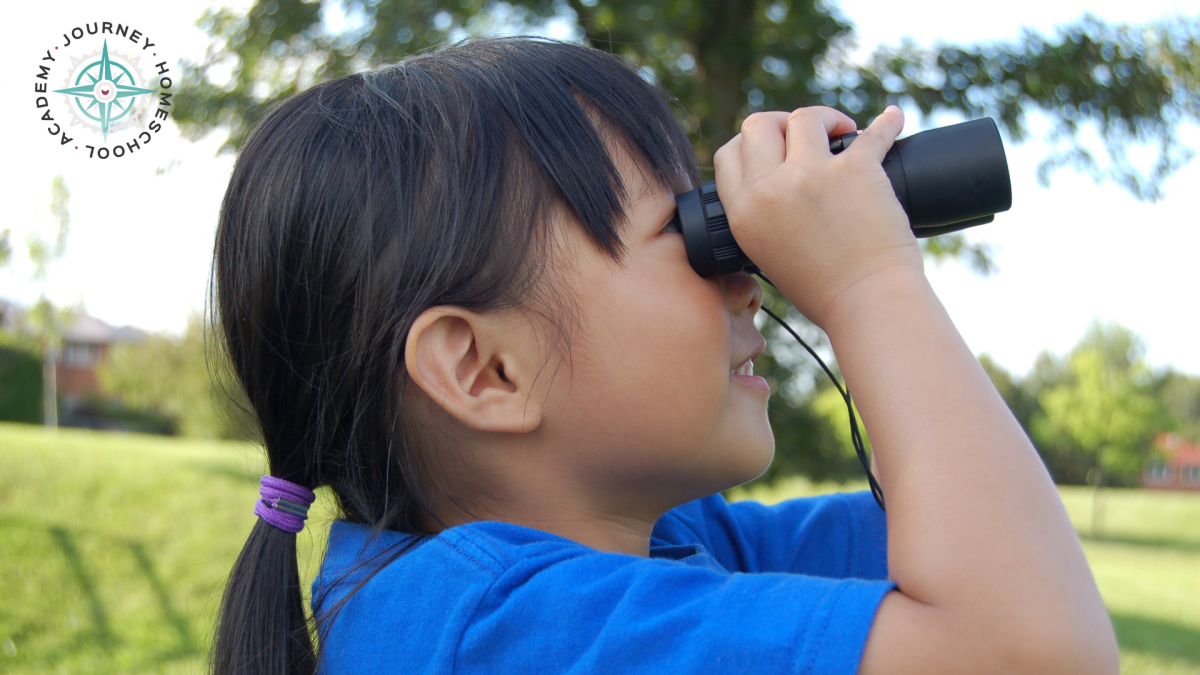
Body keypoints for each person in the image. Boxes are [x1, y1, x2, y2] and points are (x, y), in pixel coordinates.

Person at [208, 36, 1118, 675]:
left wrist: (856, 258)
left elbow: (989, 542)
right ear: (487, 370)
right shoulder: (495, 631)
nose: (746, 275)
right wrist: (871, 282)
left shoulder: (669, 542)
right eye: (687, 235)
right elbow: (1033, 647)